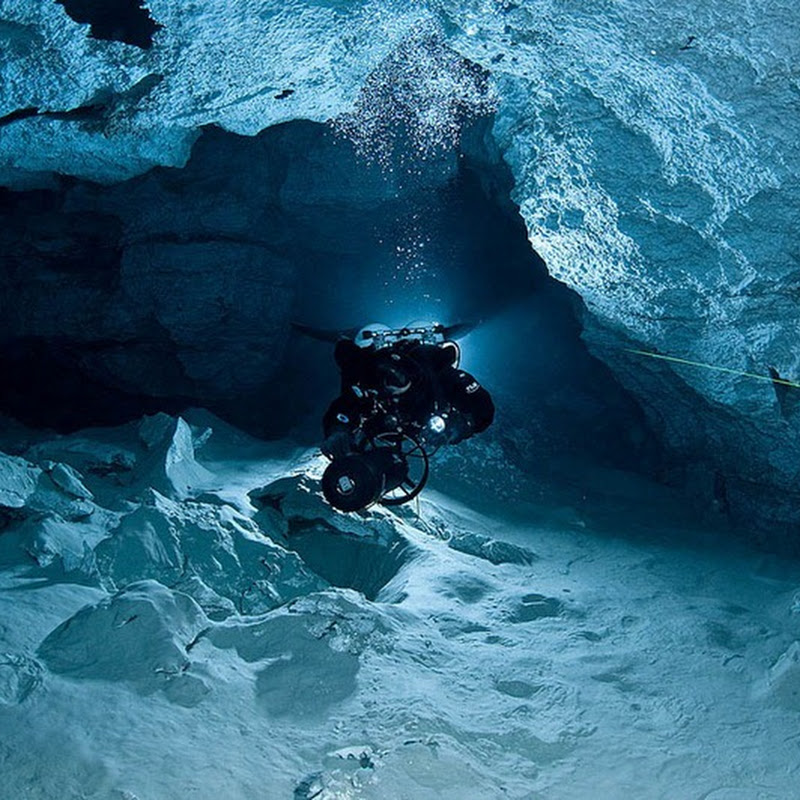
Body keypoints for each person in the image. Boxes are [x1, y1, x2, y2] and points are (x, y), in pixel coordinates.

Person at [322, 323, 494, 458]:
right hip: (384, 423)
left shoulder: (440, 378)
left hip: (421, 374)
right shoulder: (370, 385)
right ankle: (347, 341)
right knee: (351, 364)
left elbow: (483, 408)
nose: (392, 388)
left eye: (398, 381)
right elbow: (342, 407)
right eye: (387, 383)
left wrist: (455, 429)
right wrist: (337, 430)